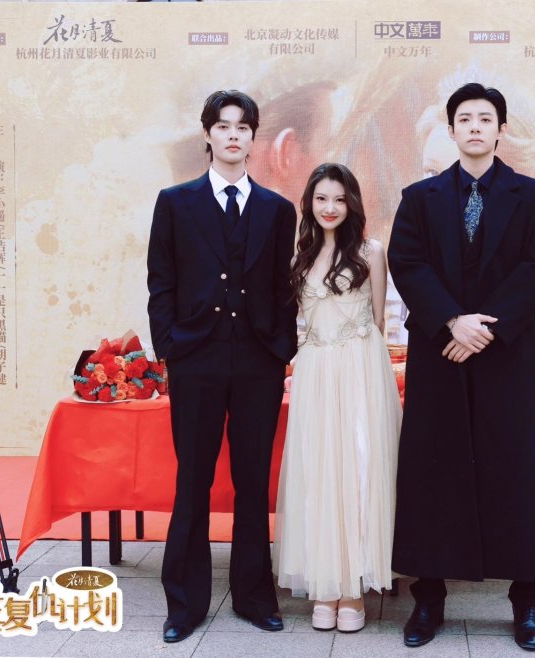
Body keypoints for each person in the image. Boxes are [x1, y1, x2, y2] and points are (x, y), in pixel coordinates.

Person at [387, 83, 535, 652]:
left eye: (486, 119)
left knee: (512, 471)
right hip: (440, 351)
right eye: (465, 119)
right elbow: (407, 262)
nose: (475, 128)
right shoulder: (420, 198)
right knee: (433, 471)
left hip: (504, 354)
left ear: (501, 129)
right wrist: (450, 321)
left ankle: (526, 601)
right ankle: (428, 598)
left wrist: (484, 328)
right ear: (451, 129)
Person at [147, 90, 298, 643]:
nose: (233, 135)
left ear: (253, 138)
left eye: (242, 127)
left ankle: (254, 597)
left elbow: (284, 286)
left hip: (258, 361)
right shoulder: (175, 202)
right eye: (223, 126)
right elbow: (161, 281)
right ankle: (184, 604)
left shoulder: (277, 210)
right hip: (196, 359)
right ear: (207, 134)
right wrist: (170, 345)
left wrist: (281, 347)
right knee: (193, 479)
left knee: (252, 481)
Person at [272, 163, 401, 633]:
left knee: (358, 468)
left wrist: (368, 376)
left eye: (340, 199)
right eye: (322, 198)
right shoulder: (299, 256)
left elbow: (379, 322)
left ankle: (353, 589)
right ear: (309, 203)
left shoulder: (372, 252)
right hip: (315, 371)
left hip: (361, 369)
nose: (330, 207)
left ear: (353, 204)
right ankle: (324, 586)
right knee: (319, 470)